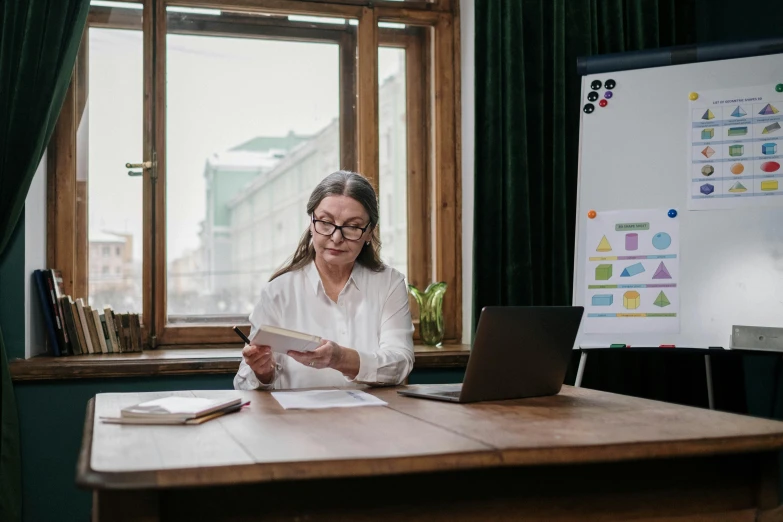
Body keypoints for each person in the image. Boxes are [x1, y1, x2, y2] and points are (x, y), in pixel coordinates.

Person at [233, 170, 414, 390]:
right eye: (326, 222)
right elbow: (243, 382)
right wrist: (262, 373)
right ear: (311, 223)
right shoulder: (278, 292)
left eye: (352, 226)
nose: (336, 237)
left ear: (368, 233)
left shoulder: (389, 284)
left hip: (371, 419)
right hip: (297, 421)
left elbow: (400, 362)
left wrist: (340, 359)